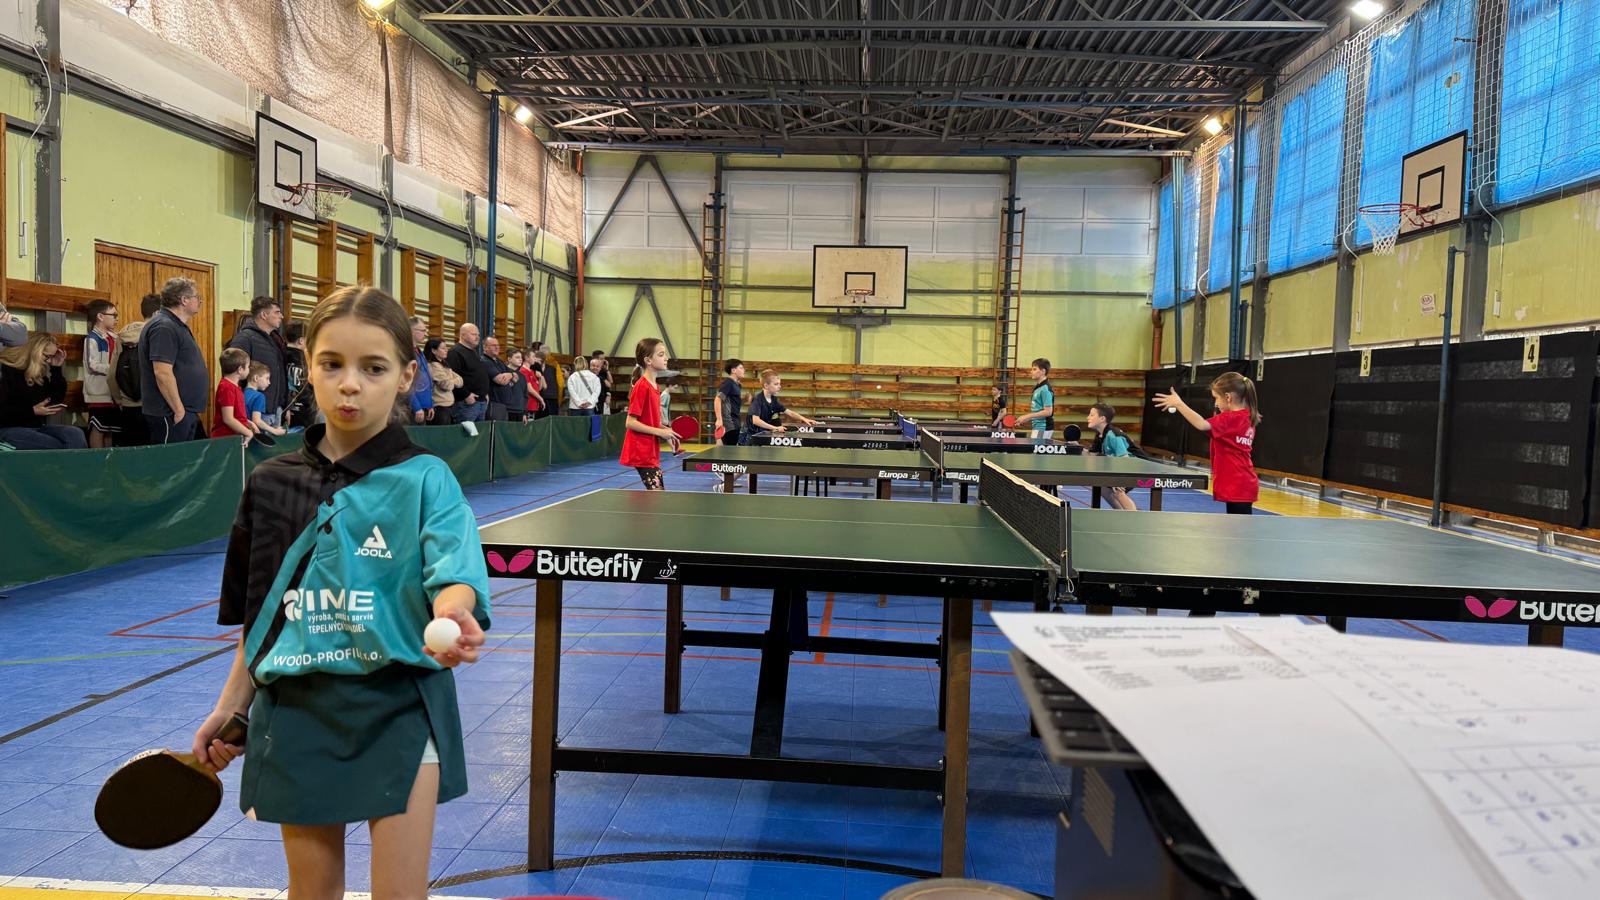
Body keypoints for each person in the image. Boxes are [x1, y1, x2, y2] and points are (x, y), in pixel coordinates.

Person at [192, 284, 490, 900]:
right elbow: (263, 616)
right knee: (312, 892)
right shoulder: (270, 484)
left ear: (407, 375)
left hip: (400, 704)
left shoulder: (426, 478)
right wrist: (233, 706)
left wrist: (455, 612)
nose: (350, 384)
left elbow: (453, 572)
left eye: (373, 368)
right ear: (309, 366)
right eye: (332, 364)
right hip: (297, 710)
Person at [1153, 371, 1260, 514]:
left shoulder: (1229, 419)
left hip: (1236, 483)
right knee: (1237, 524)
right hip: (1244, 481)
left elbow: (1201, 424)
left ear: (1228, 397)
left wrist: (1179, 404)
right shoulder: (1247, 416)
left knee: (1238, 526)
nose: (1215, 403)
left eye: (1216, 398)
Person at [140, 276, 210, 444]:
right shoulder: (164, 326)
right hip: (169, 412)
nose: (200, 301)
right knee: (169, 460)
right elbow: (162, 372)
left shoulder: (175, 325)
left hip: (181, 411)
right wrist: (178, 410)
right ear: (184, 300)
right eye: (197, 297)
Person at [0, 333, 83, 449]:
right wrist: (32, 411)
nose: (48, 361)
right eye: (47, 356)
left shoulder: (36, 373)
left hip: (35, 426)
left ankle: (75, 461)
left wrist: (56, 368)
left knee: (74, 434)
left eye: (51, 357)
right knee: (54, 445)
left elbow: (55, 398)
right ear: (35, 351)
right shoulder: (5, 370)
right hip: (7, 428)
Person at [619, 337, 682, 490]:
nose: (666, 358)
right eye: (661, 354)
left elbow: (650, 421)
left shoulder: (655, 386)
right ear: (648, 360)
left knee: (657, 496)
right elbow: (630, 422)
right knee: (657, 494)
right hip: (641, 451)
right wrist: (660, 432)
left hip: (651, 451)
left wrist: (666, 430)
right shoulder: (642, 386)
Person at [109, 293, 161, 446]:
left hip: (128, 406)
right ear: (157, 313)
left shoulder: (122, 336)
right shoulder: (158, 334)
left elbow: (111, 374)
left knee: (131, 453)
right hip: (155, 406)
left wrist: (120, 400)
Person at [227, 297, 288, 424]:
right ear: (264, 315)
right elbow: (232, 374)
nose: (281, 316)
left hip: (274, 409)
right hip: (255, 411)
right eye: (277, 312)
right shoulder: (245, 338)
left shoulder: (274, 340)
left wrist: (284, 405)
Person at [1086, 403, 1139, 511]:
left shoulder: (1113, 435)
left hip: (1136, 468)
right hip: (1124, 467)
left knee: (1119, 491)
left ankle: (1134, 517)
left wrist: (1119, 479)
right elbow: (1092, 455)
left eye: (1091, 415)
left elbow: (1125, 459)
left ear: (1102, 418)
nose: (1088, 417)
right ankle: (1120, 513)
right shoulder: (1100, 435)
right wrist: (1075, 447)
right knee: (1102, 486)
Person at [83, 299, 121, 448]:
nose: (117, 319)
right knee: (98, 428)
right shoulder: (92, 339)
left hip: (113, 393)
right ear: (100, 316)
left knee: (110, 429)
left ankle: (109, 459)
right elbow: (92, 365)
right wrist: (114, 368)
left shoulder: (115, 338)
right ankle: (97, 458)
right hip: (99, 392)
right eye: (114, 315)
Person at [748, 369, 818, 436]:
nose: (779, 386)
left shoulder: (774, 400)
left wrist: (804, 419)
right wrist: (775, 428)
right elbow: (756, 420)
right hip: (752, 435)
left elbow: (790, 413)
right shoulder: (757, 400)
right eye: (776, 384)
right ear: (766, 385)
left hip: (763, 434)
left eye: (779, 384)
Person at [445, 323, 490, 423]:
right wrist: (466, 395)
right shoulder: (455, 352)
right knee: (466, 432)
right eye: (473, 334)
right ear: (463, 335)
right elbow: (452, 377)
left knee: (478, 432)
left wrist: (484, 393)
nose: (477, 337)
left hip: (480, 402)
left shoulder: (473, 352)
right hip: (466, 403)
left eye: (478, 335)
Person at [210, 348, 255, 444]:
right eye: (248, 366)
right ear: (240, 370)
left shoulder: (233, 387)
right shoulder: (227, 388)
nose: (249, 369)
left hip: (233, 437)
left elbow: (236, 415)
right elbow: (228, 419)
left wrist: (247, 422)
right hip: (225, 439)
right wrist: (248, 433)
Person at [282, 321, 314, 431]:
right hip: (303, 410)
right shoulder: (305, 361)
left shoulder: (278, 356)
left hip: (282, 408)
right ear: (301, 340)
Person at [482, 336, 522, 421]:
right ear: (485, 348)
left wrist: (510, 375)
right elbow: (501, 380)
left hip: (505, 405)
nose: (497, 347)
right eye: (493, 345)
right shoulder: (485, 361)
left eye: (498, 345)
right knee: (495, 428)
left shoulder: (499, 361)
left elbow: (516, 377)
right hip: (494, 404)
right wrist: (511, 375)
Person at [1013, 358, 1055, 438]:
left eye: (1034, 369)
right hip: (1037, 426)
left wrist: (1027, 416)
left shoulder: (1045, 389)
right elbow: (1038, 410)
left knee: (1036, 447)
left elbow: (1048, 412)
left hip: (1043, 427)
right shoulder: (1038, 387)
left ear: (1043, 371)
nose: (1031, 371)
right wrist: (1025, 419)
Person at [426, 338, 462, 425]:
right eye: (443, 348)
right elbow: (447, 385)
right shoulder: (433, 366)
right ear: (434, 351)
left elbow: (461, 380)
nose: (446, 350)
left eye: (446, 347)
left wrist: (450, 380)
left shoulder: (444, 365)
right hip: (440, 408)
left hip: (449, 406)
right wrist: (452, 380)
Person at [245, 363, 286, 437]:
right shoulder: (259, 396)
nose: (269, 382)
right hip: (253, 435)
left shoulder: (241, 392)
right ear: (256, 378)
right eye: (267, 378)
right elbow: (256, 421)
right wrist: (275, 431)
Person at [408, 316, 435, 425]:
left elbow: (426, 379)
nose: (426, 334)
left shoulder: (419, 351)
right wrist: (416, 406)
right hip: (413, 408)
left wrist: (429, 404)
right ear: (411, 331)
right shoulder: (407, 352)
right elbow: (406, 382)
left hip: (423, 407)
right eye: (422, 330)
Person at [713, 359, 745, 445]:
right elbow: (718, 399)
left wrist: (745, 400)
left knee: (730, 449)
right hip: (729, 423)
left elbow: (733, 403)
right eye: (741, 368)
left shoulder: (737, 385)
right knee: (728, 449)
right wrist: (719, 419)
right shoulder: (728, 383)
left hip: (735, 421)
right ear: (733, 370)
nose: (744, 370)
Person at [517, 352, 543, 419]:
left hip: (534, 405)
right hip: (528, 405)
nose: (535, 359)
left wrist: (540, 378)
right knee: (528, 424)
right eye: (533, 356)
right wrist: (541, 399)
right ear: (526, 358)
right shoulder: (523, 371)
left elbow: (539, 389)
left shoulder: (532, 371)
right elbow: (530, 389)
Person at [592, 350, 612, 415]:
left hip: (602, 399)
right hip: (593, 400)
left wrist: (608, 395)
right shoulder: (591, 371)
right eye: (601, 359)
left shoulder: (603, 370)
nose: (604, 361)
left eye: (604, 359)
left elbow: (610, 383)